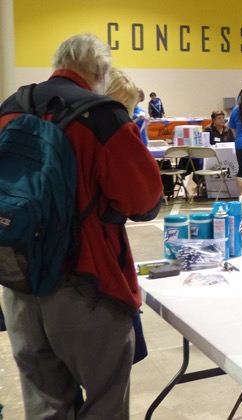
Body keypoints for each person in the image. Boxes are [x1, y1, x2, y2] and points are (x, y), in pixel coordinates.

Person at [0, 33, 163, 417]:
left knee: (43, 402)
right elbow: (145, 200)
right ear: (100, 71)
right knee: (106, 397)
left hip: (18, 279)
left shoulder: (11, 108)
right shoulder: (102, 115)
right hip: (84, 283)